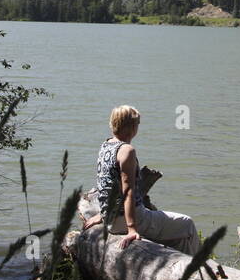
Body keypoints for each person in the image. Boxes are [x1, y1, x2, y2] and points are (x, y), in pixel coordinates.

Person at [82, 105, 202, 256]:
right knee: (187, 224)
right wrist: (132, 229)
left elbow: (106, 184)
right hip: (129, 220)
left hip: (111, 219)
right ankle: (199, 269)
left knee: (180, 239)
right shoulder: (126, 150)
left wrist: (103, 214)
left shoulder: (105, 146)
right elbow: (128, 192)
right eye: (137, 124)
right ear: (131, 127)